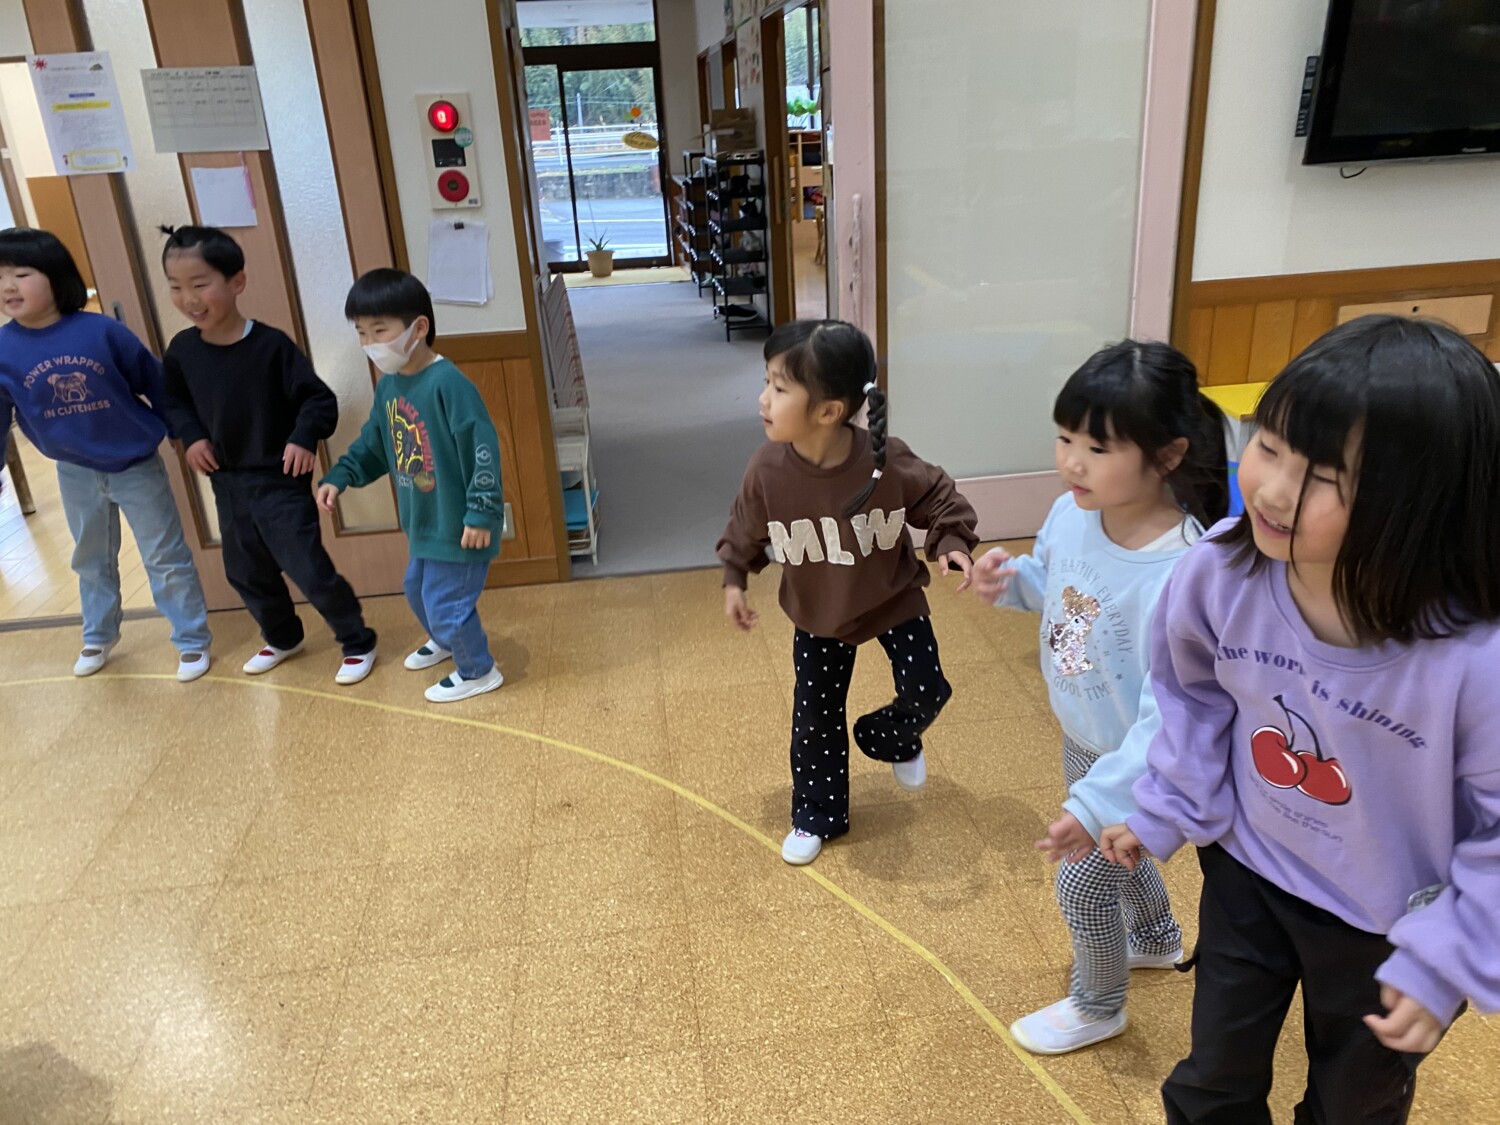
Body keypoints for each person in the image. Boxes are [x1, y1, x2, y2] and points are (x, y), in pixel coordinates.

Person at [1100, 315, 1500, 1123]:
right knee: (1213, 1078)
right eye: (1271, 445)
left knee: (1353, 1105)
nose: (1274, 488)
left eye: (1325, 475)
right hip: (1249, 869)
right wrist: (1169, 803)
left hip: (1390, 924)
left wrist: (1448, 957)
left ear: (1423, 501)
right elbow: (1192, 697)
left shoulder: (1474, 661)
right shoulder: (1219, 572)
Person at [972, 340, 1229, 1055]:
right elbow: (1054, 585)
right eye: (1064, 438)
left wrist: (1095, 805)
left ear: (1168, 456)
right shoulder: (1072, 511)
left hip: (1146, 762)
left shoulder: (1183, 569)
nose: (1072, 462)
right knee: (1119, 863)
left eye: (1097, 447)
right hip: (1085, 734)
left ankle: (1099, 1004)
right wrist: (1011, 582)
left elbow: (1173, 712)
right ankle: (1156, 935)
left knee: (1082, 886)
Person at [717, 319, 978, 866]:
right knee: (815, 715)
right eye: (766, 383)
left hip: (891, 598)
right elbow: (745, 528)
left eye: (778, 388)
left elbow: (938, 495)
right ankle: (818, 813)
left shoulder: (885, 460)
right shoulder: (767, 469)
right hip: (820, 612)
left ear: (829, 411)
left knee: (927, 689)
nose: (763, 399)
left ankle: (895, 739)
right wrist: (735, 578)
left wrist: (952, 541)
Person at [158, 225, 377, 684]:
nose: (188, 298)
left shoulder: (271, 346)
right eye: (175, 287)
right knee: (245, 570)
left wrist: (302, 437)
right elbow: (174, 402)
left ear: (236, 282)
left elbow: (318, 399)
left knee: (308, 568)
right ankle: (283, 636)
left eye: (200, 284)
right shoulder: (182, 351)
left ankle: (357, 640)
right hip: (227, 482)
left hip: (279, 481)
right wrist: (192, 436)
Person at [0, 227, 211, 681]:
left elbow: (156, 384)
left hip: (135, 465)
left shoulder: (102, 332)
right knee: (90, 559)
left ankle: (191, 638)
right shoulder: (3, 348)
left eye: (21, 274)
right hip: (73, 470)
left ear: (56, 277)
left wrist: (186, 434)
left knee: (164, 555)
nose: (8, 287)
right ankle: (98, 634)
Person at [317, 268, 504, 704]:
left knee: (447, 602)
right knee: (417, 590)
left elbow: (481, 448)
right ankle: (446, 640)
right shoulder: (390, 386)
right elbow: (375, 443)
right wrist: (341, 475)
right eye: (361, 332)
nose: (370, 343)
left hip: (458, 523)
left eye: (379, 330)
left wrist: (481, 511)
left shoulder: (448, 384)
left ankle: (478, 670)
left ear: (418, 328)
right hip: (423, 520)